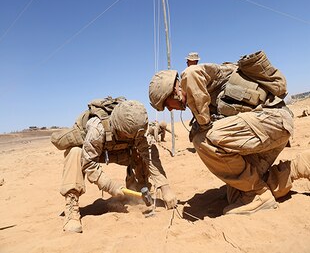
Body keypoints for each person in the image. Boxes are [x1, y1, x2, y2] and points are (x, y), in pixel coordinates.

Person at [149, 50, 310, 215]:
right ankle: (301, 166)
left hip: (273, 120)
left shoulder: (190, 77)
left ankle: (257, 194)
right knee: (236, 194)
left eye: (166, 104)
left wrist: (203, 123)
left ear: (172, 91)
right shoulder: (198, 97)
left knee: (203, 139)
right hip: (263, 131)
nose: (169, 109)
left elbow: (192, 73)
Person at [52, 98, 177, 233]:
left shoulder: (137, 128)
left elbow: (150, 155)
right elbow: (89, 163)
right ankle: (71, 207)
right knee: (74, 152)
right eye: (129, 135)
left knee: (146, 150)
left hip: (122, 153)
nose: (134, 137)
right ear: (119, 127)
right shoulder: (97, 128)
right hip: (96, 153)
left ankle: (139, 190)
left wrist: (165, 187)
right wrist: (111, 186)